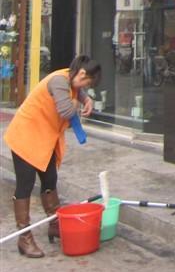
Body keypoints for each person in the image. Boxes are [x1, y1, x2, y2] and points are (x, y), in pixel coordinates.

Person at [3, 54, 101, 258]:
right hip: (25, 136)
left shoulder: (70, 77)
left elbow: (76, 89)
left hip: (43, 138)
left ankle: (55, 224)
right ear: (82, 73)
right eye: (88, 83)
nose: (86, 86)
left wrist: (86, 98)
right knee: (25, 183)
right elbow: (66, 110)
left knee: (49, 179)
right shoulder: (59, 81)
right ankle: (24, 237)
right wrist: (77, 102)